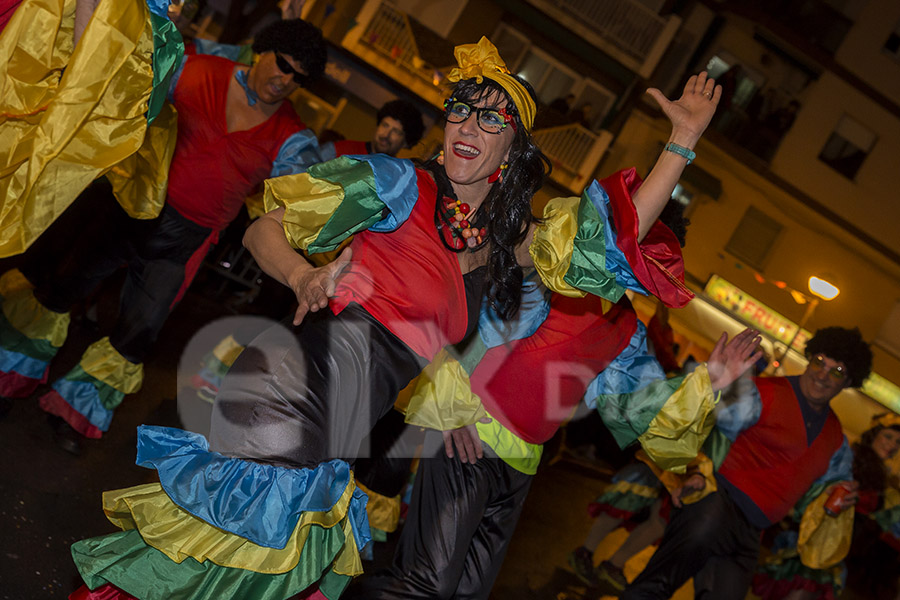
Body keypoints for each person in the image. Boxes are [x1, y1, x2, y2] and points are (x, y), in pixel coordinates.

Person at [68, 36, 552, 600]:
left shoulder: (498, 240)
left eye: (491, 119)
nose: (468, 127)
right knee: (223, 568)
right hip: (288, 391)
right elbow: (262, 227)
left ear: (515, 147)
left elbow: (603, 245)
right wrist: (302, 276)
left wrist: (682, 141)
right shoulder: (398, 183)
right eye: (461, 111)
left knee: (247, 575)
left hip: (339, 424)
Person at [344, 72, 742, 599]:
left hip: (519, 468)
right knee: (423, 586)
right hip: (468, 439)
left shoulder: (624, 329)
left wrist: (710, 380)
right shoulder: (547, 268)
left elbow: (644, 412)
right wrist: (453, 405)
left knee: (464, 594)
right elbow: (457, 320)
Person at [0, 18, 328, 454]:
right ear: (261, 49)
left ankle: (73, 413)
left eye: (299, 77)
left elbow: (297, 199)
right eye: (284, 64)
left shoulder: (294, 138)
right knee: (59, 288)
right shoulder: (191, 69)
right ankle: (10, 377)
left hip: (183, 244)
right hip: (128, 208)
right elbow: (127, 104)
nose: (286, 80)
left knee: (137, 335)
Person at [620, 326, 873, 600]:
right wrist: (688, 471)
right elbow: (707, 426)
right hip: (715, 505)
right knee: (655, 585)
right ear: (809, 358)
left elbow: (824, 492)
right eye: (819, 362)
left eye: (836, 371)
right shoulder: (764, 393)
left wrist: (838, 503)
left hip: (753, 534)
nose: (822, 374)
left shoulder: (836, 439)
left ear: (848, 382)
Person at [753, 415, 900, 600]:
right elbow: (814, 490)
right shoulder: (850, 458)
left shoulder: (880, 476)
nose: (893, 445)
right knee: (801, 589)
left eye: (898, 442)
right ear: (874, 434)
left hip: (835, 551)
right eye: (888, 436)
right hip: (816, 541)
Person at [320, 99, 426, 159]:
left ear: (406, 143)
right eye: (385, 125)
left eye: (396, 132)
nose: (386, 135)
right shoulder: (340, 150)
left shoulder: (396, 177)